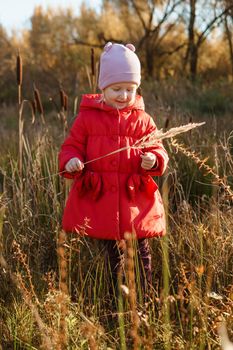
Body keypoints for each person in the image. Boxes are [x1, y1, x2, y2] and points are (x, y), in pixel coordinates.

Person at [59, 42, 169, 306]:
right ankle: (115, 301)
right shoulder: (87, 119)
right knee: (113, 256)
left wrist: (153, 160)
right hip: (103, 202)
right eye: (116, 89)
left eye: (130, 89)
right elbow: (71, 146)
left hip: (135, 202)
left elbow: (158, 147)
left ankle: (144, 302)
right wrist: (72, 160)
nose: (123, 95)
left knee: (141, 253)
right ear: (103, 88)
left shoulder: (143, 120)